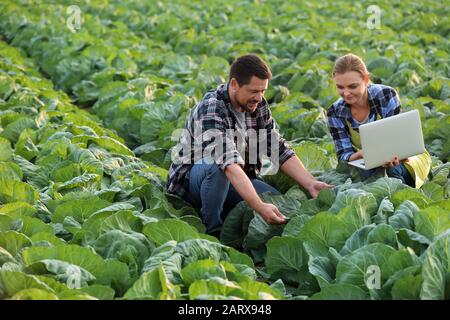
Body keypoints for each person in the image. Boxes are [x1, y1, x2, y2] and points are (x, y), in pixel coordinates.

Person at [167, 54, 332, 236]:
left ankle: (228, 211)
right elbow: (228, 163)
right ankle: (212, 231)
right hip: (193, 183)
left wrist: (310, 183)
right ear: (234, 85)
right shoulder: (212, 108)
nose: (260, 98)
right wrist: (258, 206)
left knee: (277, 201)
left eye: (263, 91)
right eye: (254, 91)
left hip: (236, 178)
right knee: (217, 168)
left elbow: (276, 146)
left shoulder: (257, 105)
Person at [327, 53, 431, 188]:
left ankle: (407, 196)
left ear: (365, 79)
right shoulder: (335, 112)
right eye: (340, 87)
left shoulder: (386, 95)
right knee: (367, 172)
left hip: (408, 157)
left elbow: (400, 142)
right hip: (369, 160)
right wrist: (361, 154)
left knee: (393, 170)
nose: (346, 93)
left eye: (352, 86)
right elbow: (343, 155)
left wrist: (393, 156)